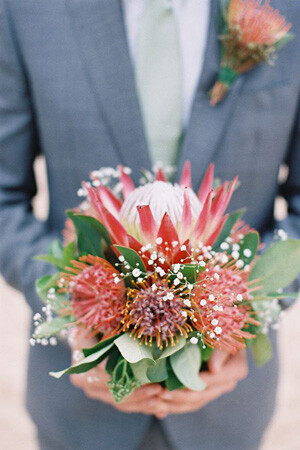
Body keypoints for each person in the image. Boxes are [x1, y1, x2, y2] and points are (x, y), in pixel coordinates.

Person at [0, 0, 299, 449]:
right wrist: (78, 307)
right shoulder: (28, 11)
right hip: (79, 417)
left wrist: (237, 318)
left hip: (228, 412)